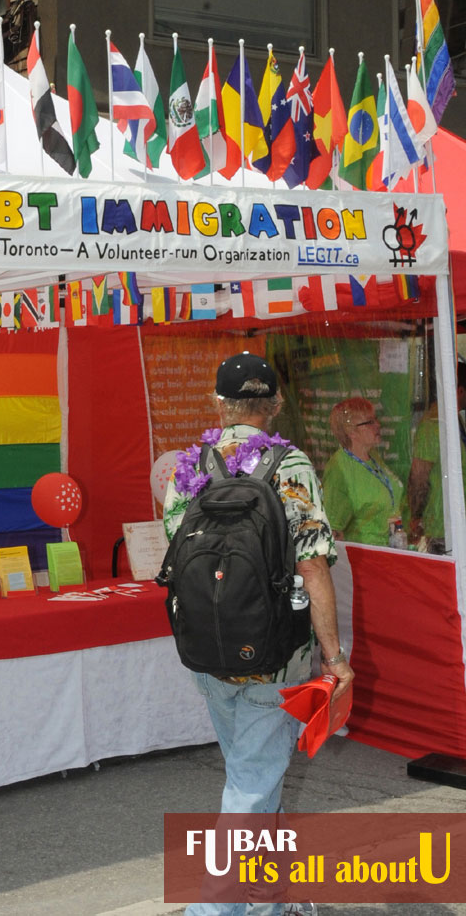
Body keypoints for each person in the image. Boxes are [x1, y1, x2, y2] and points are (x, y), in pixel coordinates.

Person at [163, 352, 353, 916]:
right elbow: (312, 564)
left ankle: (269, 902)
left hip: (208, 652)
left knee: (255, 779)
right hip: (275, 658)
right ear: (276, 404)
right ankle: (212, 911)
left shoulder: (188, 466)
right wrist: (334, 656)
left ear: (218, 404)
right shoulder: (289, 465)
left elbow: (177, 553)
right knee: (251, 787)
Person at [322, 398, 406, 547]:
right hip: (363, 555)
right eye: (370, 422)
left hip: (389, 549)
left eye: (376, 419)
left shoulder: (372, 456)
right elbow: (333, 530)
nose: (378, 425)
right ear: (351, 431)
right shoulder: (339, 468)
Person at [407, 360, 466, 550]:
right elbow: (419, 476)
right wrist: (416, 515)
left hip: (456, 522)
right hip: (442, 526)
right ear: (459, 391)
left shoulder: (455, 419)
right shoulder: (432, 425)